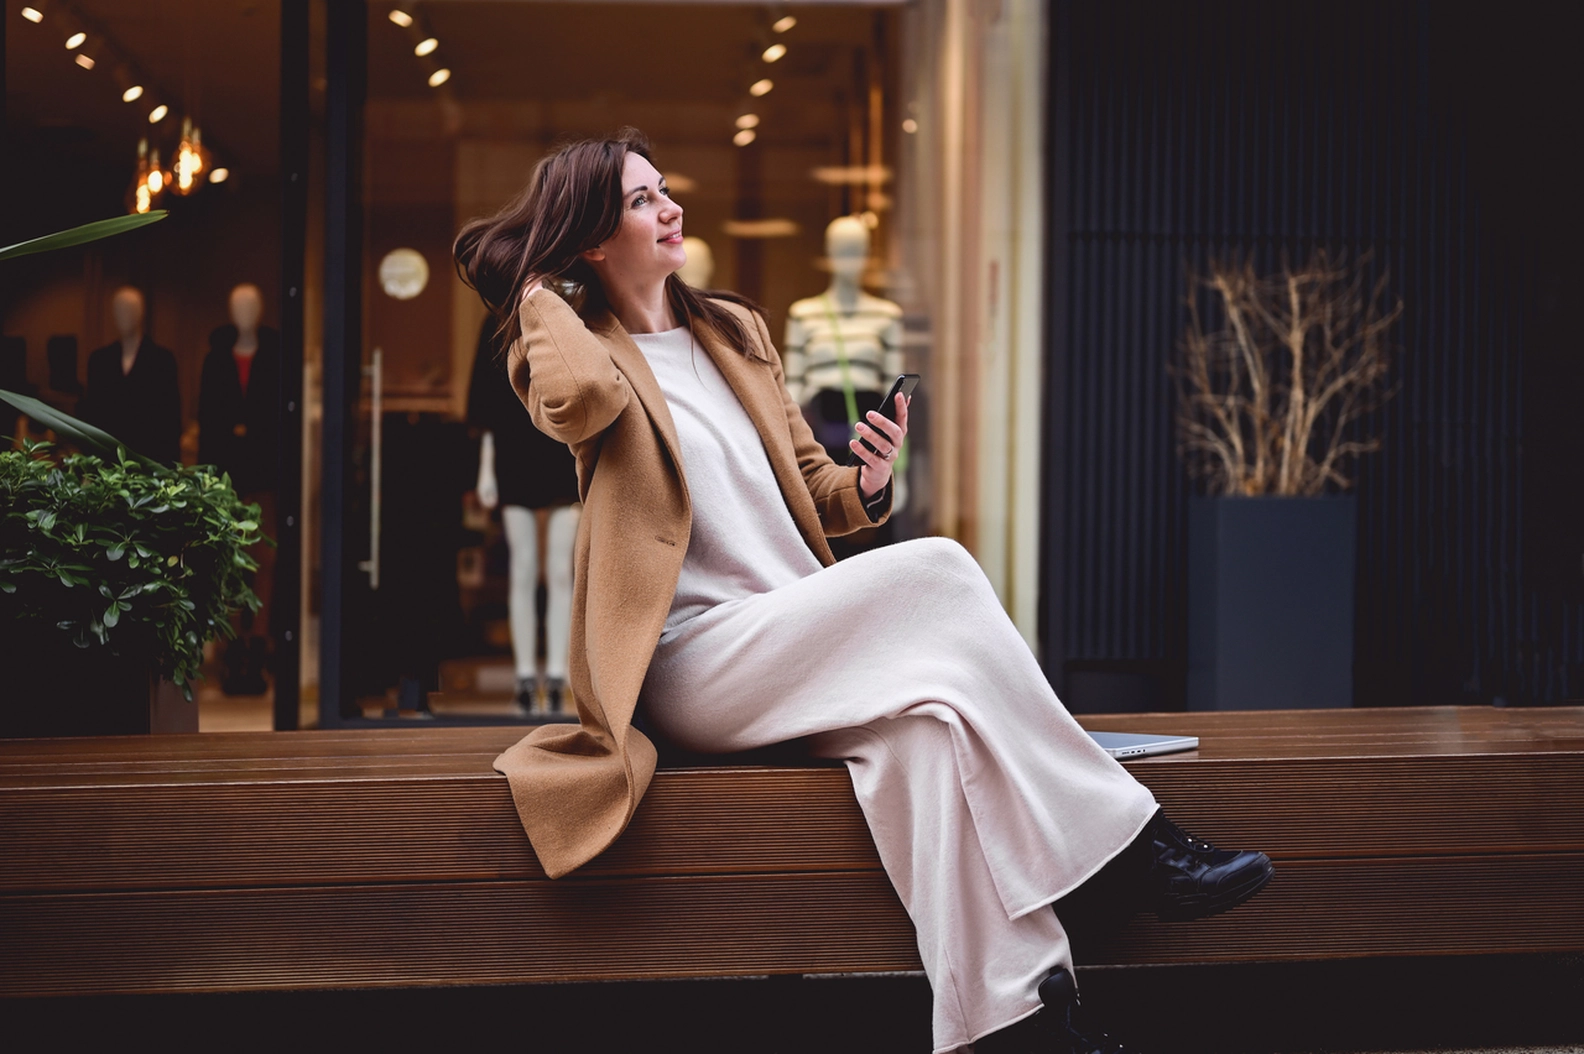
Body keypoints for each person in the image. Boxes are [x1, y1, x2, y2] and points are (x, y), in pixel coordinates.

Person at [453, 129, 1273, 1054]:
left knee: (927, 735)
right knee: (943, 567)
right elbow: (582, 406)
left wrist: (869, 480)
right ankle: (1125, 846)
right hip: (695, 660)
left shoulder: (734, 330)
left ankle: (1022, 1018)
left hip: (798, 634)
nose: (670, 207)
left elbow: (817, 487)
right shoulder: (570, 347)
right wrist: (536, 288)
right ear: (593, 241)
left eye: (665, 189)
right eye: (642, 201)